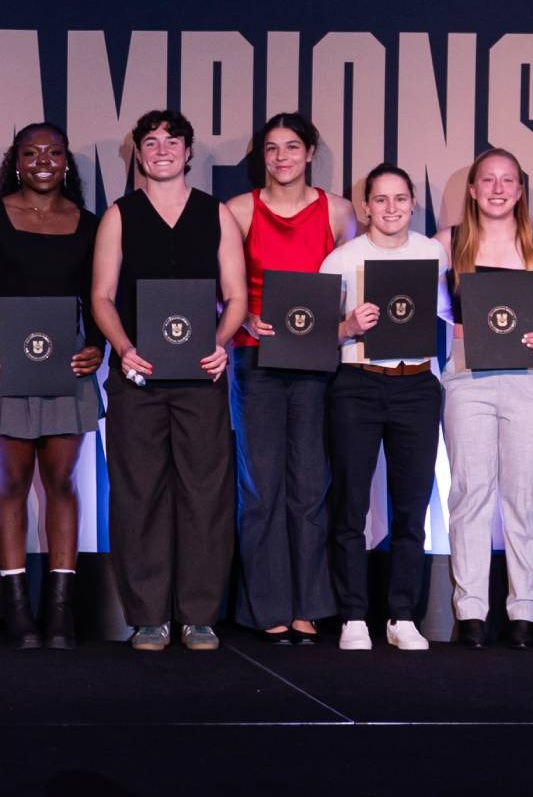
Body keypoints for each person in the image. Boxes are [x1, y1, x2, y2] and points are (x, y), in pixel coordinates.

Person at [90, 109, 247, 652]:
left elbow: (237, 296)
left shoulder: (217, 215)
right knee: (138, 493)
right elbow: (102, 297)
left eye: (170, 142)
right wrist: (125, 348)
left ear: (187, 152)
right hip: (138, 377)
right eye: (150, 142)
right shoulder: (120, 215)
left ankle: (199, 615)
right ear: (138, 152)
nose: (160, 150)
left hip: (200, 376)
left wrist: (220, 345)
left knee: (206, 492)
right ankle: (149, 616)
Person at [0, 123, 104, 649]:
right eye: (31, 153)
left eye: (53, 152)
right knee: (11, 483)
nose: (43, 160)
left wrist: (98, 344)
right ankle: (18, 613)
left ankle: (60, 615)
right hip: (7, 360)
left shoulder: (90, 225)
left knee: (63, 484)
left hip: (68, 362)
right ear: (16, 162)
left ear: (66, 161)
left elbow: (101, 294)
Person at [223, 113, 357, 644]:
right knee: (260, 489)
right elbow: (220, 285)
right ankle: (265, 606)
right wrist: (242, 317)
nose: (281, 158)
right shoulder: (238, 211)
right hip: (254, 359)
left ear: (309, 153)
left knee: (309, 486)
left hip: (315, 361)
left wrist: (342, 326)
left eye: (292, 147)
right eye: (272, 149)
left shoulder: (339, 212)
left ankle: (308, 604)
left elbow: (357, 279)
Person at [439, 148, 533, 650]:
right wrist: (450, 328)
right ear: (472, 190)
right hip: (467, 376)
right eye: (487, 180)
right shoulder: (447, 244)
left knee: (525, 496)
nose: (497, 188)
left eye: (507, 181)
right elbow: (418, 304)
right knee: (469, 493)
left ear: (519, 190)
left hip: (527, 380)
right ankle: (470, 612)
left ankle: (525, 612)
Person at [319, 164, 449, 653]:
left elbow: (446, 312)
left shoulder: (432, 252)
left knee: (412, 507)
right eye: (380, 199)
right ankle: (353, 615)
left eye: (400, 199)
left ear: (413, 203)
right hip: (357, 384)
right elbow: (316, 333)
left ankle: (401, 615)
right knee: (350, 503)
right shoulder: (341, 260)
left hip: (416, 384)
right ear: (366, 206)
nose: (391, 209)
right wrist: (348, 327)